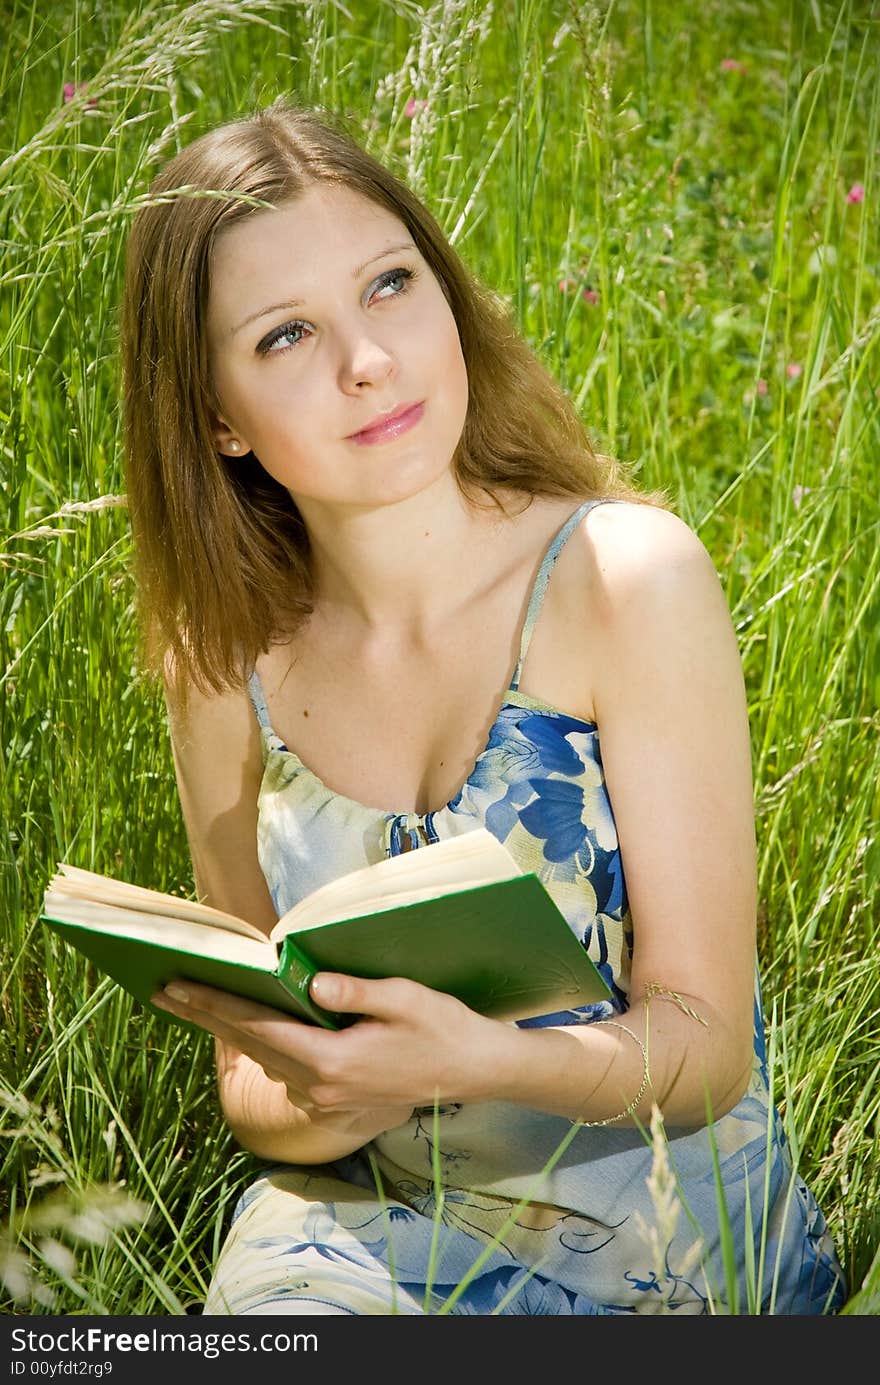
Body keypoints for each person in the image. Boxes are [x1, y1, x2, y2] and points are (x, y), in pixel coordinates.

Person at [120, 97, 846, 1316]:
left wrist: (478, 1060)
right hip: (366, 1223)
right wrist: (329, 1088)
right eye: (287, 334)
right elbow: (245, 1067)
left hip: (654, 1212)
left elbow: (709, 1042)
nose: (368, 359)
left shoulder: (625, 579)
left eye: (391, 285)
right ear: (216, 419)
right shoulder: (222, 662)